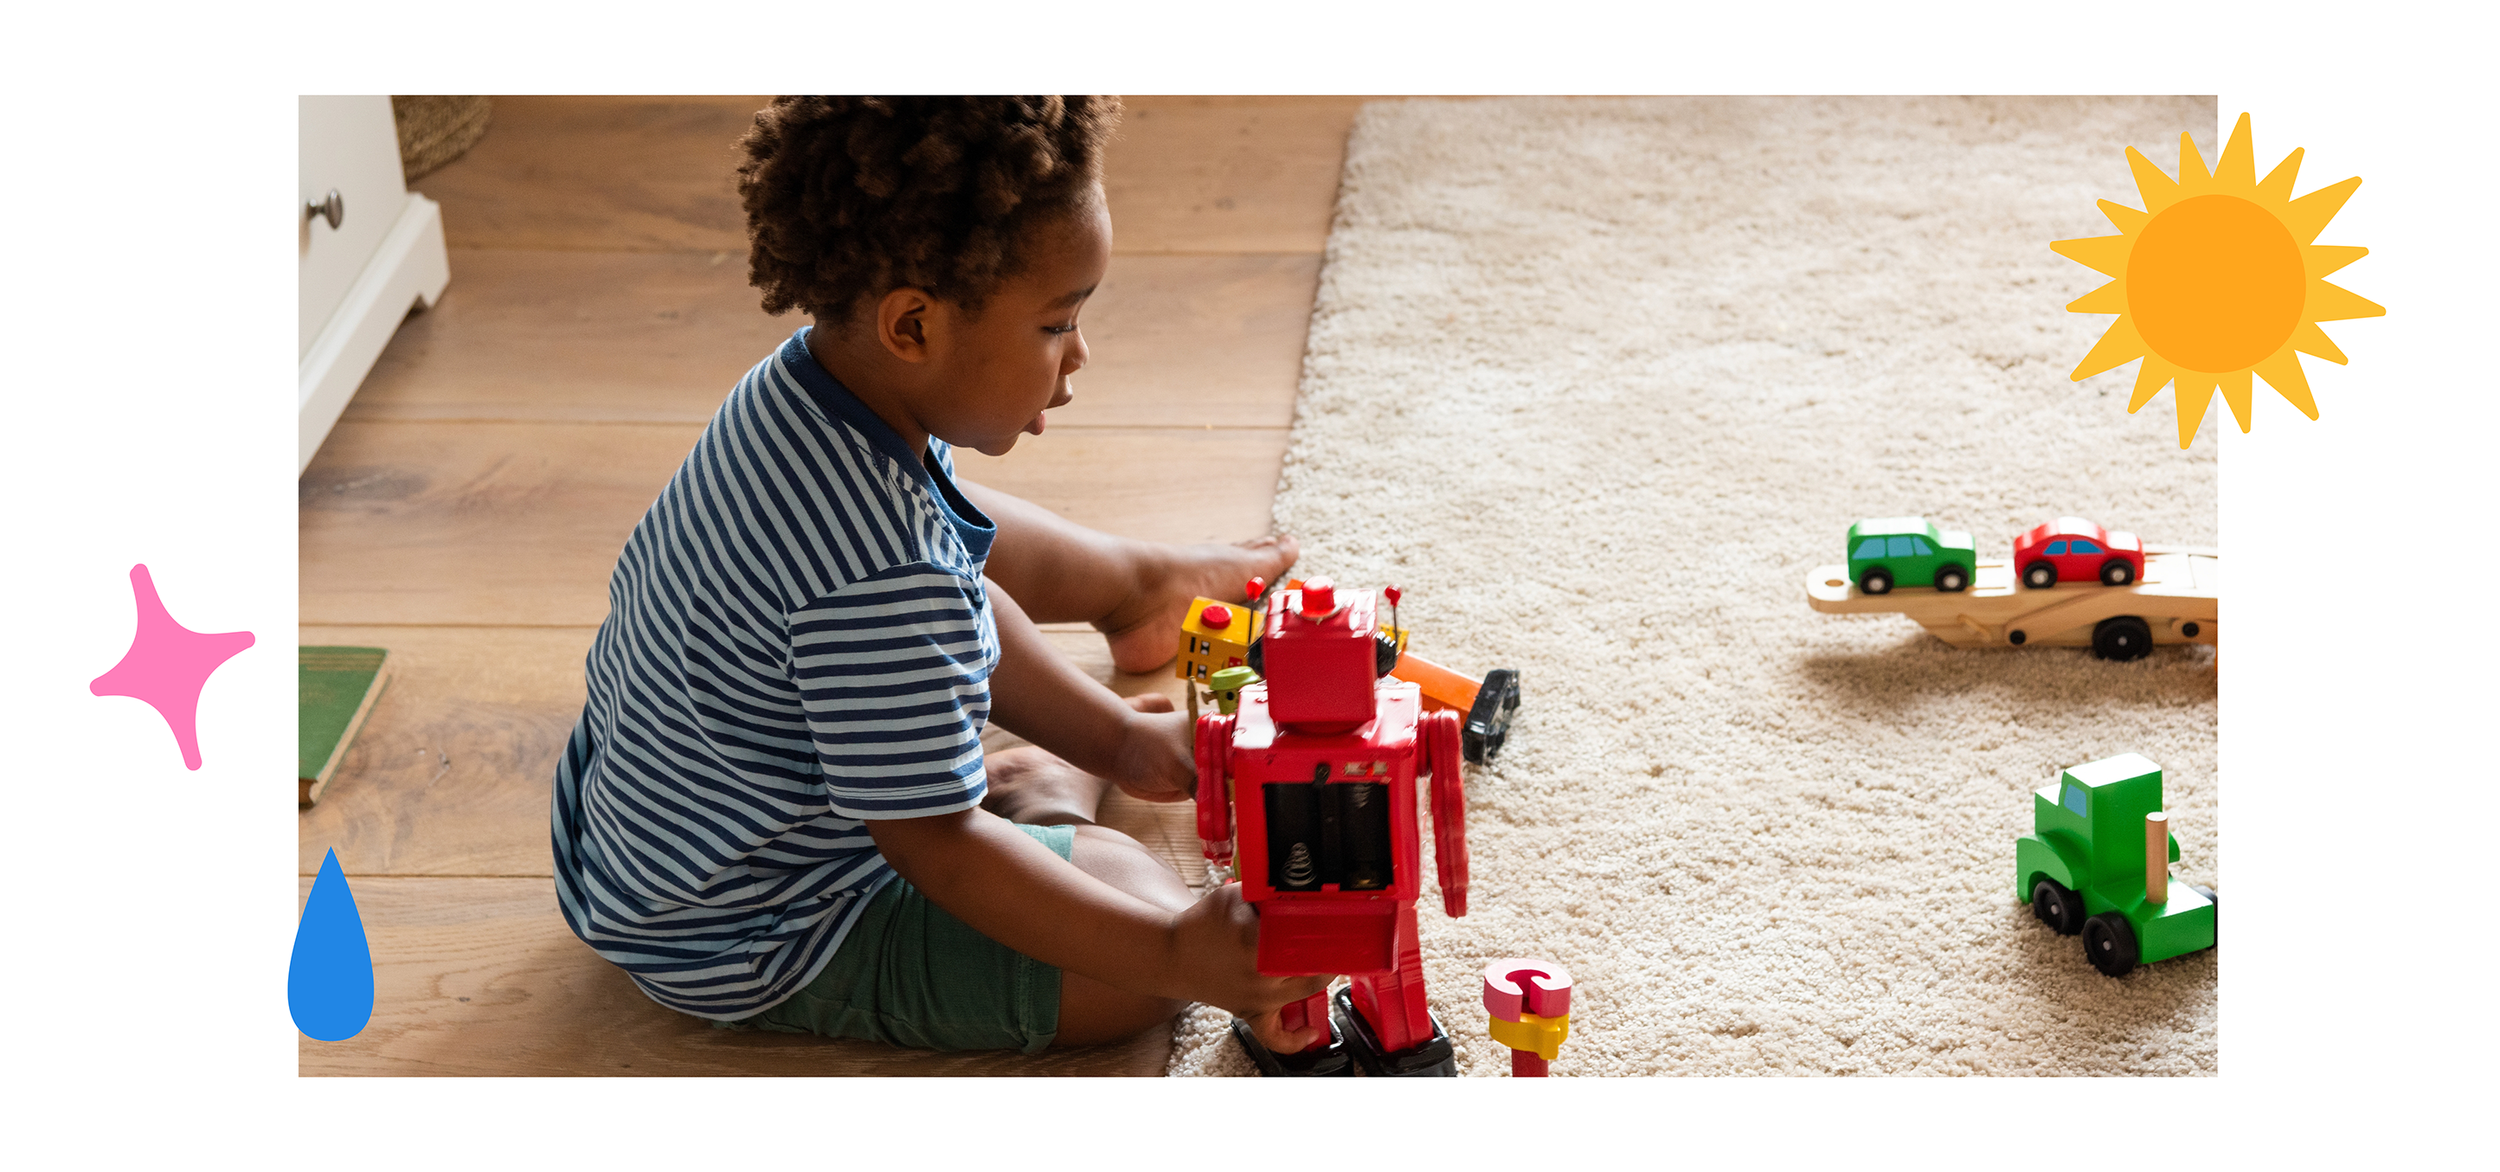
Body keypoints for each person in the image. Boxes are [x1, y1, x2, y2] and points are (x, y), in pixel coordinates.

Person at [550, 95, 1325, 1057]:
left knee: (956, 584)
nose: (1080, 354)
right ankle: (1040, 800)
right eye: (1057, 324)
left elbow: (953, 594)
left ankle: (1060, 772)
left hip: (626, 836)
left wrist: (1122, 739)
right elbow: (937, 849)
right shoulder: (877, 575)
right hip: (748, 922)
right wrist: (1174, 953)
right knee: (1137, 936)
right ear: (912, 326)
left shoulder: (808, 391)